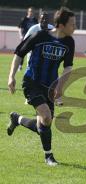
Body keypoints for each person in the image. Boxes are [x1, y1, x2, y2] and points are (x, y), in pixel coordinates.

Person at [7, 7, 76, 166]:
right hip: (32, 82)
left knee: (44, 123)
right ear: (60, 25)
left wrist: (60, 87)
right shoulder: (40, 36)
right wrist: (11, 77)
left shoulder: (69, 42)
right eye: (72, 24)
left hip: (50, 87)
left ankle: (17, 119)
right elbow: (19, 53)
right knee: (46, 116)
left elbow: (68, 67)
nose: (75, 27)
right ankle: (49, 157)